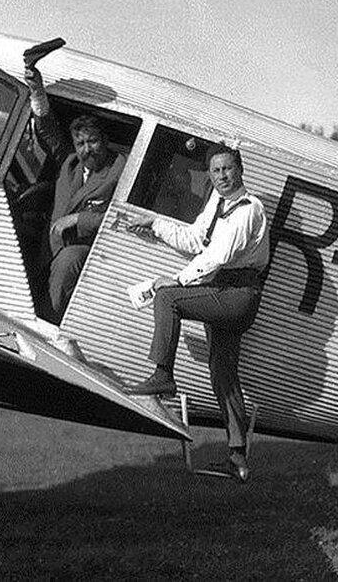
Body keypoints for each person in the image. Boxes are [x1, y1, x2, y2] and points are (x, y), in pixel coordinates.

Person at [126, 144, 270, 482]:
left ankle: (163, 375)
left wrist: (174, 280)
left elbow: (217, 257)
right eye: (216, 170)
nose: (222, 176)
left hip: (238, 296)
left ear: (241, 171)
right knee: (222, 372)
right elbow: (195, 239)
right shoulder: (218, 204)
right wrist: (156, 224)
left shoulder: (248, 209)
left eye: (228, 169)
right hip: (224, 292)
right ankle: (238, 458)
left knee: (168, 298)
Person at [24, 64, 127, 322]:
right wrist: (36, 89)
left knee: (67, 264)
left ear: (105, 141)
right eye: (81, 143)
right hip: (51, 248)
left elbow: (120, 219)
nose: (87, 149)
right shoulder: (71, 163)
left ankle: (47, 328)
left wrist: (78, 220)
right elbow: (48, 131)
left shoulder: (121, 170)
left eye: (93, 141)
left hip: (86, 250)